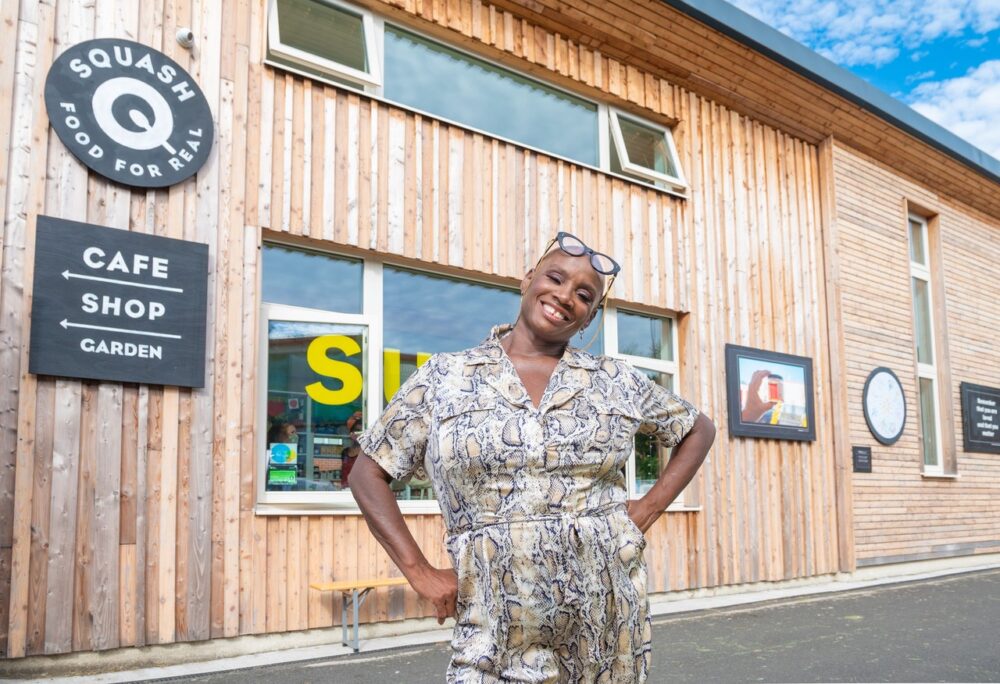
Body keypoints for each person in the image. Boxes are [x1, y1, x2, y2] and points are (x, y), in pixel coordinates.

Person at [351, 232, 716, 682]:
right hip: (493, 626)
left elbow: (697, 428)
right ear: (527, 280)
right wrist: (419, 571)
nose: (565, 297)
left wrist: (646, 509)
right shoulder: (445, 377)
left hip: (605, 623)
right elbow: (368, 471)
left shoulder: (614, 380)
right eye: (556, 278)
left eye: (584, 296)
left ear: (589, 319)